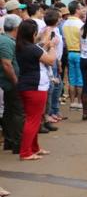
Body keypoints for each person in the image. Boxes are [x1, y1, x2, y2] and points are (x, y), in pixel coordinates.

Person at [16, 19, 58, 160]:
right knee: (33, 120)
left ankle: (33, 148)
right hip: (35, 86)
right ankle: (26, 152)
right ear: (32, 33)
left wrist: (46, 38)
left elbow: (40, 46)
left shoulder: (23, 46)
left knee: (33, 118)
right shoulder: (31, 48)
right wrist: (52, 46)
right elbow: (51, 60)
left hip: (28, 85)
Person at [0, 14, 24, 154]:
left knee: (10, 112)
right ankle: (17, 144)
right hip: (10, 82)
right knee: (18, 112)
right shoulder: (7, 42)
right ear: (17, 28)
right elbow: (7, 64)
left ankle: (10, 141)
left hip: (8, 82)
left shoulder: (8, 40)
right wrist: (16, 82)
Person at [62, 1, 84, 110]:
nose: (82, 10)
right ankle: (79, 102)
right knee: (79, 79)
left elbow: (65, 40)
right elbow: (82, 40)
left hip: (70, 52)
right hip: (79, 53)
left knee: (71, 79)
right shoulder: (80, 24)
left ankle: (72, 102)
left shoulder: (65, 23)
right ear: (76, 10)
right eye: (80, 8)